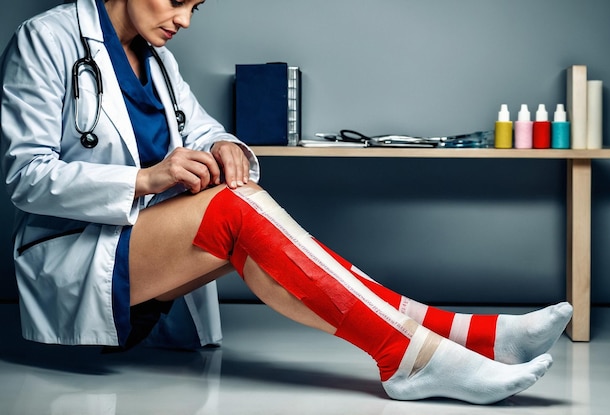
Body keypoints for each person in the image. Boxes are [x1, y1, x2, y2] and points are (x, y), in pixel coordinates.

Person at [0, 0, 572, 404]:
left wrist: (225, 146)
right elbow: (25, 176)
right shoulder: (46, 39)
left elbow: (204, 132)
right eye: (175, 2)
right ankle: (414, 355)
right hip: (73, 253)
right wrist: (148, 179)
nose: (182, 21)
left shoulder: (159, 61)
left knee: (242, 196)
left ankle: (463, 337)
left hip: (146, 256)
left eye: (196, 8)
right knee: (235, 209)